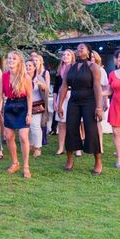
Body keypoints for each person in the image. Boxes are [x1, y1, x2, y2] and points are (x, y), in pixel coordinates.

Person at [56, 43, 103, 175]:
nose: (78, 49)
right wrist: (59, 105)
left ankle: (98, 161)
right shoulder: (71, 67)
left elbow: (97, 87)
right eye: (77, 48)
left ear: (88, 52)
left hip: (89, 101)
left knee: (91, 129)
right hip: (74, 101)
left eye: (82, 48)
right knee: (70, 129)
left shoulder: (93, 67)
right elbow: (64, 86)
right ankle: (70, 160)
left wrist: (99, 107)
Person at [2, 52, 33, 178]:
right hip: (9, 105)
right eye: (9, 58)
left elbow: (30, 96)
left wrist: (29, 113)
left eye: (14, 58)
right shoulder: (4, 76)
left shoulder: (25, 77)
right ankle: (15, 163)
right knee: (9, 136)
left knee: (23, 136)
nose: (11, 60)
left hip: (22, 106)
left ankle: (26, 166)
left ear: (19, 61)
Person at [53, 49, 75, 156]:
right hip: (60, 98)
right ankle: (61, 147)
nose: (65, 56)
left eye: (68, 55)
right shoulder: (59, 70)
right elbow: (56, 88)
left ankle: (76, 148)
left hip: (72, 96)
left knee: (74, 123)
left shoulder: (75, 69)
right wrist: (55, 102)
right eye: (64, 55)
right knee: (61, 124)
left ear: (72, 57)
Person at [25, 58, 47, 159]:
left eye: (30, 66)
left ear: (34, 67)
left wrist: (40, 84)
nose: (28, 67)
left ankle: (38, 147)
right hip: (24, 105)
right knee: (26, 127)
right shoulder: (22, 78)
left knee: (35, 127)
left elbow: (46, 89)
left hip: (36, 106)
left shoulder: (38, 78)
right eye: (26, 65)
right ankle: (31, 145)